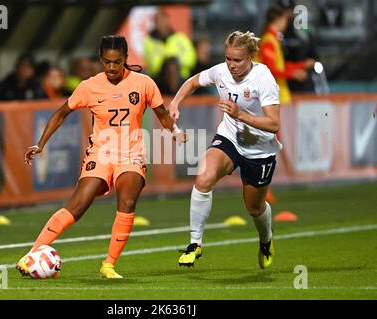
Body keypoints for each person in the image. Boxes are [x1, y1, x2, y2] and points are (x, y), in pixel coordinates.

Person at [16, 35, 187, 279]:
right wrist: (41, 144)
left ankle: (109, 265)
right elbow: (61, 113)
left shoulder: (144, 83)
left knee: (127, 201)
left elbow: (161, 112)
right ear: (100, 60)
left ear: (126, 59)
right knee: (78, 205)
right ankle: (32, 254)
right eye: (106, 62)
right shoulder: (89, 86)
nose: (112, 67)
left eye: (117, 62)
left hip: (131, 153)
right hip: (101, 153)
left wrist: (176, 131)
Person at [168, 31, 281, 269]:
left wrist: (240, 114)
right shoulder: (220, 71)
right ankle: (194, 244)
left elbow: (273, 123)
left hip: (258, 150)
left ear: (251, 56)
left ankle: (266, 239)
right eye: (228, 58)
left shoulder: (263, 79)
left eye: (237, 60)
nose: (231, 65)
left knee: (254, 207)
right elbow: (192, 82)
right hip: (229, 138)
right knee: (203, 178)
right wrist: (175, 102)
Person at [255, 5, 315, 105]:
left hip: (277, 97)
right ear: (278, 19)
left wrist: (302, 65)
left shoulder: (273, 39)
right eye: (285, 19)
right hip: (272, 98)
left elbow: (280, 66)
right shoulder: (269, 41)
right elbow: (270, 71)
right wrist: (292, 74)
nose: (287, 22)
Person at [143, 9, 197, 80]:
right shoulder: (149, 41)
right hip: (160, 79)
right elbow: (152, 65)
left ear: (167, 20)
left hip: (182, 78)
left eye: (162, 20)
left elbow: (191, 60)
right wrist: (167, 62)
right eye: (157, 21)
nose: (160, 23)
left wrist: (175, 61)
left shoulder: (181, 38)